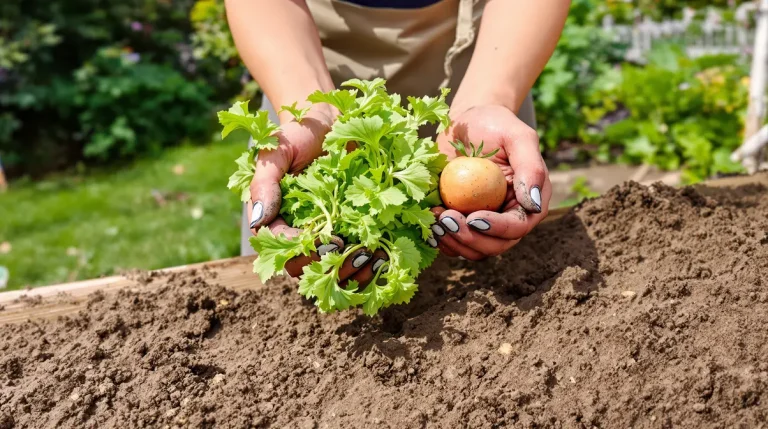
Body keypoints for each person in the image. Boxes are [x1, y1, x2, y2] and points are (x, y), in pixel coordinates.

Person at [226, 0, 570, 284]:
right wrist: (311, 112)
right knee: (292, 270)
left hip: (489, 54)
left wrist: (491, 98)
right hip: (300, 63)